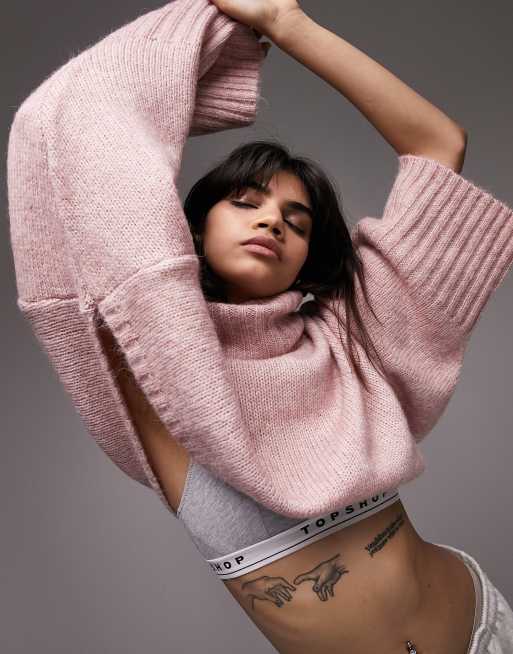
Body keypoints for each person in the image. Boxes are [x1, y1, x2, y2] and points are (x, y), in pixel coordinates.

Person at [8, 0, 512, 652]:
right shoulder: (147, 359)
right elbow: (69, 130)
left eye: (296, 223)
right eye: (245, 203)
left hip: (487, 625)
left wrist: (282, 20)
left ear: (308, 259)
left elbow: (438, 144)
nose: (272, 221)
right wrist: (192, 50)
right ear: (192, 228)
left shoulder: (348, 342)